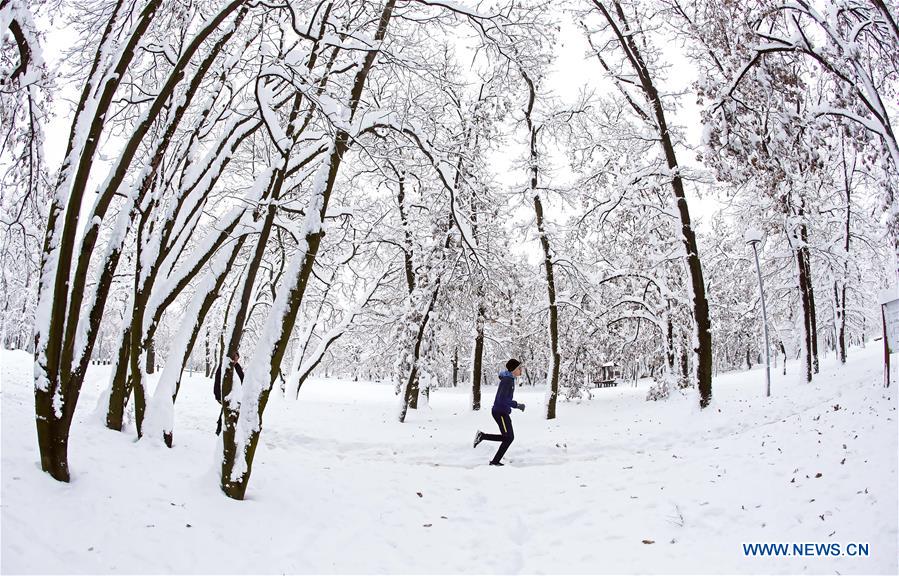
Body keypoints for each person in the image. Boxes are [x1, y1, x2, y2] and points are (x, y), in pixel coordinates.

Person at [473, 359, 526, 466]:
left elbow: (504, 399)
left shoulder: (509, 379)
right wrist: (517, 405)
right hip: (499, 412)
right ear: (514, 369)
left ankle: (482, 436)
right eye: (519, 368)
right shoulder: (507, 380)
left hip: (503, 412)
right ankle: (494, 461)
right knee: (509, 438)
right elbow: (502, 399)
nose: (521, 370)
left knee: (508, 437)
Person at [214, 351, 243, 435]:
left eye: (237, 358)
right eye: (235, 358)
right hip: (224, 395)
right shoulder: (223, 366)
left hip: (235, 395)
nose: (236, 360)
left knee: (227, 412)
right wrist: (218, 395)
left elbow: (242, 380)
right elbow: (217, 382)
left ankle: (223, 429)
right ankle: (221, 429)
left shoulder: (238, 367)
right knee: (226, 411)